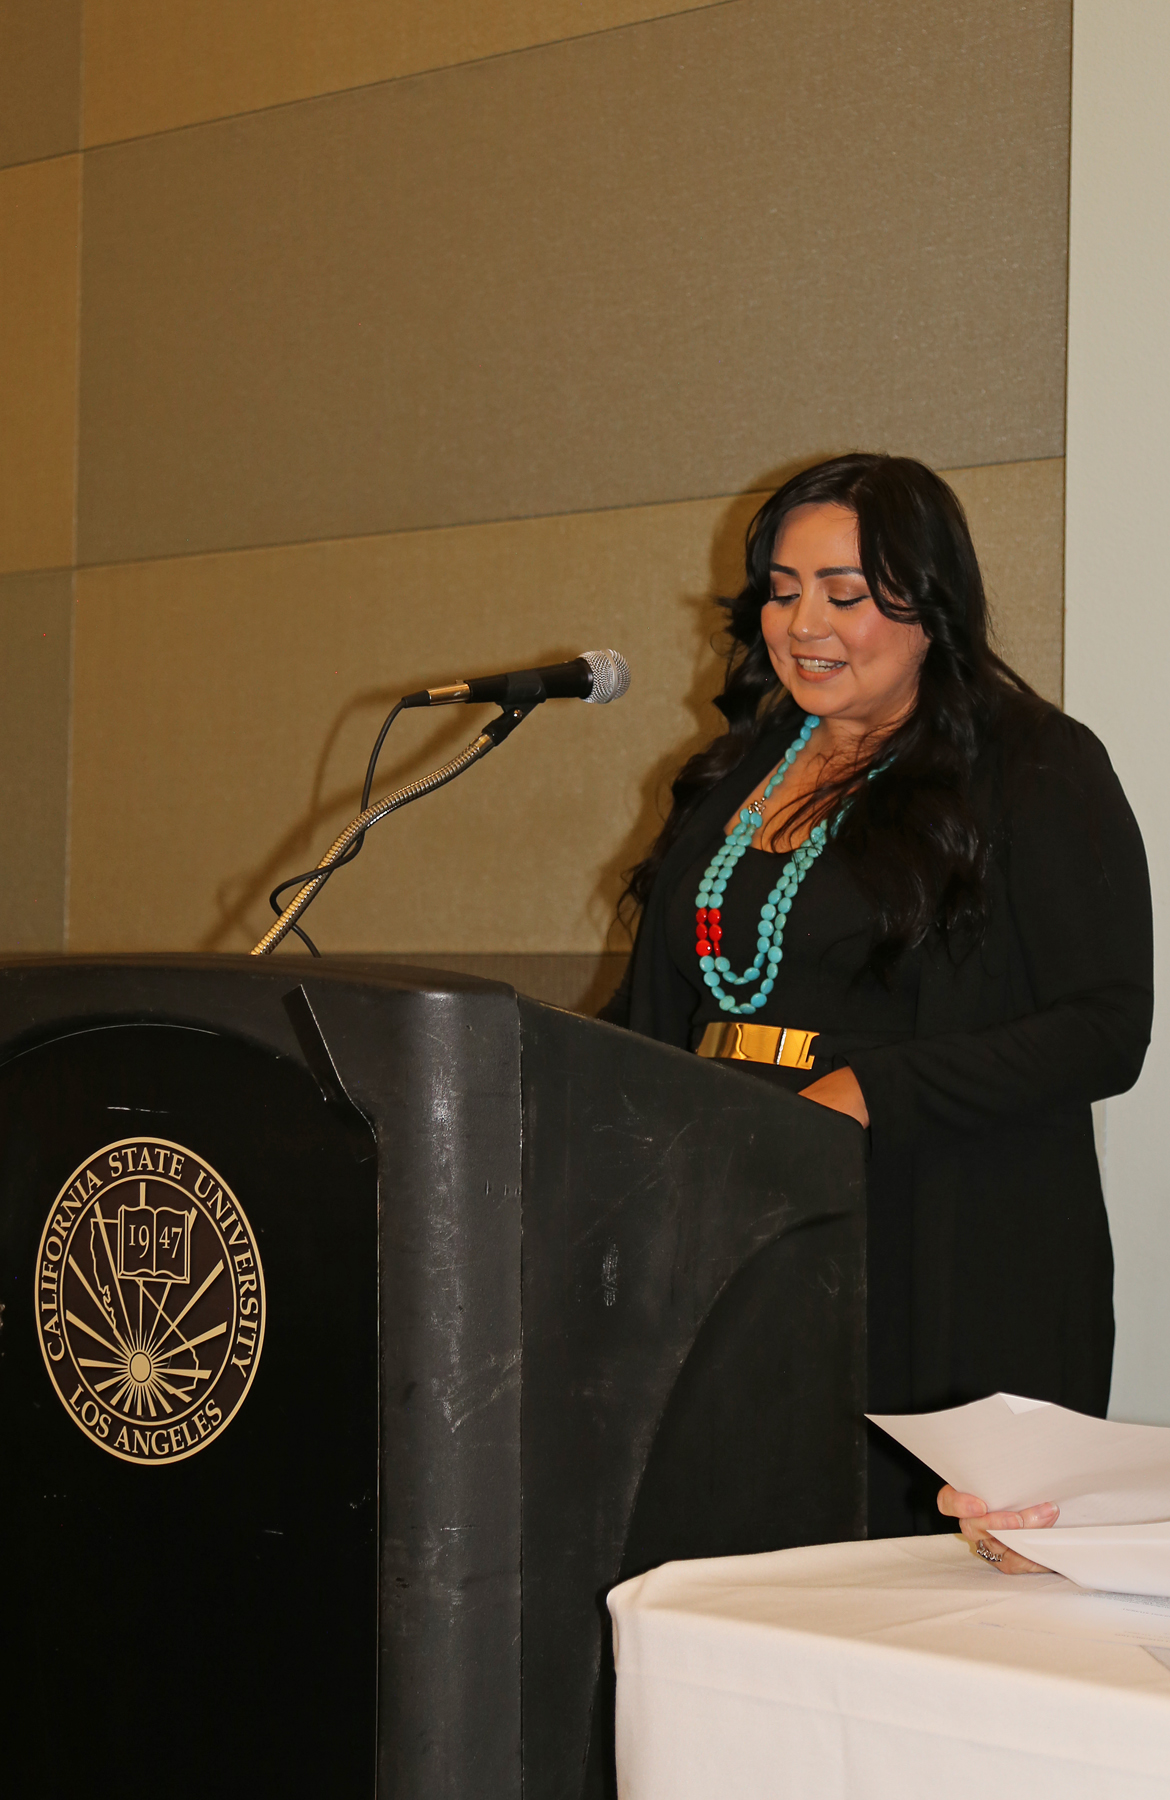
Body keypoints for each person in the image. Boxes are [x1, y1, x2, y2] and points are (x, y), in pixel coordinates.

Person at [601, 453, 1153, 1547]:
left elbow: (1106, 1027)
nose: (803, 621)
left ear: (929, 605)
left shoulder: (1035, 764)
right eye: (784, 588)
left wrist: (868, 1090)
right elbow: (658, 1009)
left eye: (845, 594)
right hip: (746, 1238)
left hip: (941, 1247)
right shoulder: (734, 772)